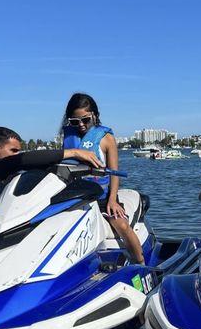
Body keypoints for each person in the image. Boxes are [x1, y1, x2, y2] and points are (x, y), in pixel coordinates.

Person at [0, 126, 102, 266]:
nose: (17, 154)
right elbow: (22, 160)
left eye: (19, 151)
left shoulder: (6, 176)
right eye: (14, 150)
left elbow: (33, 166)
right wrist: (74, 152)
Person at [62, 93, 145, 264]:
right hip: (75, 196)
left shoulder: (106, 138)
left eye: (85, 120)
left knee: (121, 225)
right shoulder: (69, 136)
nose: (81, 125)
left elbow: (114, 172)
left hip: (102, 196)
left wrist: (112, 200)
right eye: (75, 122)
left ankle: (141, 263)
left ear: (94, 115)